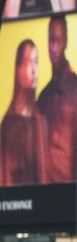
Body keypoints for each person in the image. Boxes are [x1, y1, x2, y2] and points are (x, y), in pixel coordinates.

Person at [0, 39, 46, 187]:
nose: (34, 70)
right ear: (18, 68)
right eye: (28, 62)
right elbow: (4, 179)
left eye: (36, 62)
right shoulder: (7, 123)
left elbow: (43, 177)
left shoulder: (39, 118)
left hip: (42, 205)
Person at [38, 16, 77, 184]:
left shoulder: (75, 88)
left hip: (69, 193)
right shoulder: (43, 96)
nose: (53, 48)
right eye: (50, 40)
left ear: (66, 42)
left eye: (58, 41)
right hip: (43, 191)